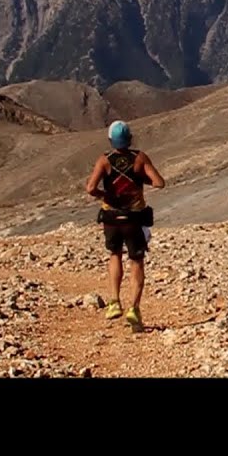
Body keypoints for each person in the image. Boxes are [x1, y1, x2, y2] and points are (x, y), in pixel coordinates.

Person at [85, 120, 165, 333]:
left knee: (114, 255)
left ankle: (113, 302)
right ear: (130, 139)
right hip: (134, 218)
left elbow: (90, 188)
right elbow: (159, 182)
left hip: (111, 217)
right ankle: (134, 309)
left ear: (110, 140)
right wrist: (139, 181)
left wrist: (106, 195)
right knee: (136, 261)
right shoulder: (139, 158)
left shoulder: (104, 160)